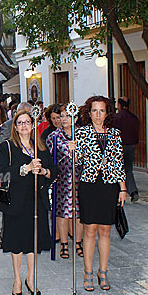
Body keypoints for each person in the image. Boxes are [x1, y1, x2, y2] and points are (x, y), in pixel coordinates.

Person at [68, 96, 127, 291]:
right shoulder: (82, 133)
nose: (98, 115)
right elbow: (76, 163)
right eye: (94, 110)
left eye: (102, 110)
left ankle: (103, 271)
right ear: (89, 112)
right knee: (90, 229)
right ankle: (87, 272)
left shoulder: (115, 134)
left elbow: (119, 162)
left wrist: (123, 188)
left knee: (105, 230)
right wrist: (72, 150)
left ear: (107, 113)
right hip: (90, 185)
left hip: (109, 185)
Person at [0, 109, 57, 295]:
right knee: (17, 243)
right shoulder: (7, 146)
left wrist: (44, 172)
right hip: (15, 201)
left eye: (27, 122)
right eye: (20, 122)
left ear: (33, 126)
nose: (24, 126)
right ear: (15, 126)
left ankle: (31, 278)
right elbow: (1, 172)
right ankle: (17, 279)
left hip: (36, 201)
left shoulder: (40, 147)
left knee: (33, 242)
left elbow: (53, 171)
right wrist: (25, 168)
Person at [46, 108, 83, 259]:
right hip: (61, 178)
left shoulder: (83, 134)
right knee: (62, 212)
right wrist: (67, 148)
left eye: (68, 116)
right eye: (62, 116)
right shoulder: (54, 136)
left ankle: (79, 242)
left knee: (79, 212)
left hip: (81, 178)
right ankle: (64, 243)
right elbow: (51, 154)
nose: (65, 119)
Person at [113, 97, 140, 201]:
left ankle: (119, 192)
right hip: (131, 146)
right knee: (128, 170)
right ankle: (133, 191)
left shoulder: (117, 118)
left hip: (119, 147)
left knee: (117, 170)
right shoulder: (134, 117)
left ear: (119, 105)